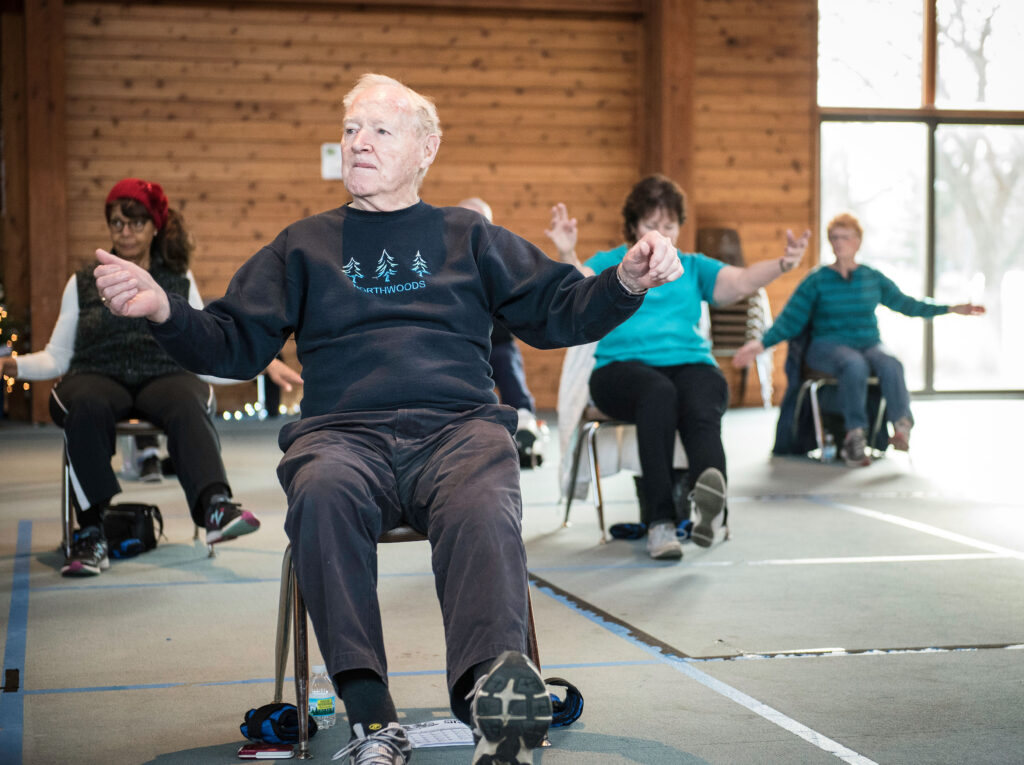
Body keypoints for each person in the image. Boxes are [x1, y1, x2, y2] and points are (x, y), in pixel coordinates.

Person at [93, 74, 682, 765]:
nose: (359, 142)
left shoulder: (470, 236)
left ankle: (488, 698)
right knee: (321, 490)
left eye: (379, 129)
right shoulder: (303, 245)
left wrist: (626, 281)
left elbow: (560, 310)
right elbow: (233, 342)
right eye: (350, 130)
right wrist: (165, 310)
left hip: (457, 429)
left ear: (426, 148)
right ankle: (372, 717)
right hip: (342, 436)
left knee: (486, 497)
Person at [1, 178, 302, 577]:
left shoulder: (178, 278)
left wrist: (259, 365)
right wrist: (14, 366)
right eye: (117, 223)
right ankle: (90, 532)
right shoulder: (83, 280)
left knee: (188, 399)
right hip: (96, 375)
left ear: (155, 227)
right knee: (85, 404)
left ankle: (215, 507)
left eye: (136, 223)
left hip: (165, 375)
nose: (125, 232)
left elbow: (201, 349)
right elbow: (58, 357)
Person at [546, 174, 810, 560]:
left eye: (669, 225)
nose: (661, 233)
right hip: (619, 370)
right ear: (633, 226)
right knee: (658, 393)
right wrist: (567, 251)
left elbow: (740, 282)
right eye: (652, 224)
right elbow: (577, 289)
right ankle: (660, 522)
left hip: (688, 362)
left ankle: (707, 504)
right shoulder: (609, 262)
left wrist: (783, 264)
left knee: (705, 392)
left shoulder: (691, 266)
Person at [733, 212, 985, 466]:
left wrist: (950, 308)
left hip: (868, 343)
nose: (839, 243)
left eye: (845, 237)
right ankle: (854, 436)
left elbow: (907, 304)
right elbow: (790, 318)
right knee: (854, 364)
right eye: (834, 238)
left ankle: (901, 427)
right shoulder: (817, 280)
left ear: (858, 241)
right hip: (826, 346)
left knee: (891, 363)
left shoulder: (871, 277)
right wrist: (761, 344)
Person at [456, 197, 541, 466]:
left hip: (496, 342)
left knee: (506, 360)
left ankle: (524, 419)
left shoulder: (500, 260)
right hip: (457, 346)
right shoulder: (440, 263)